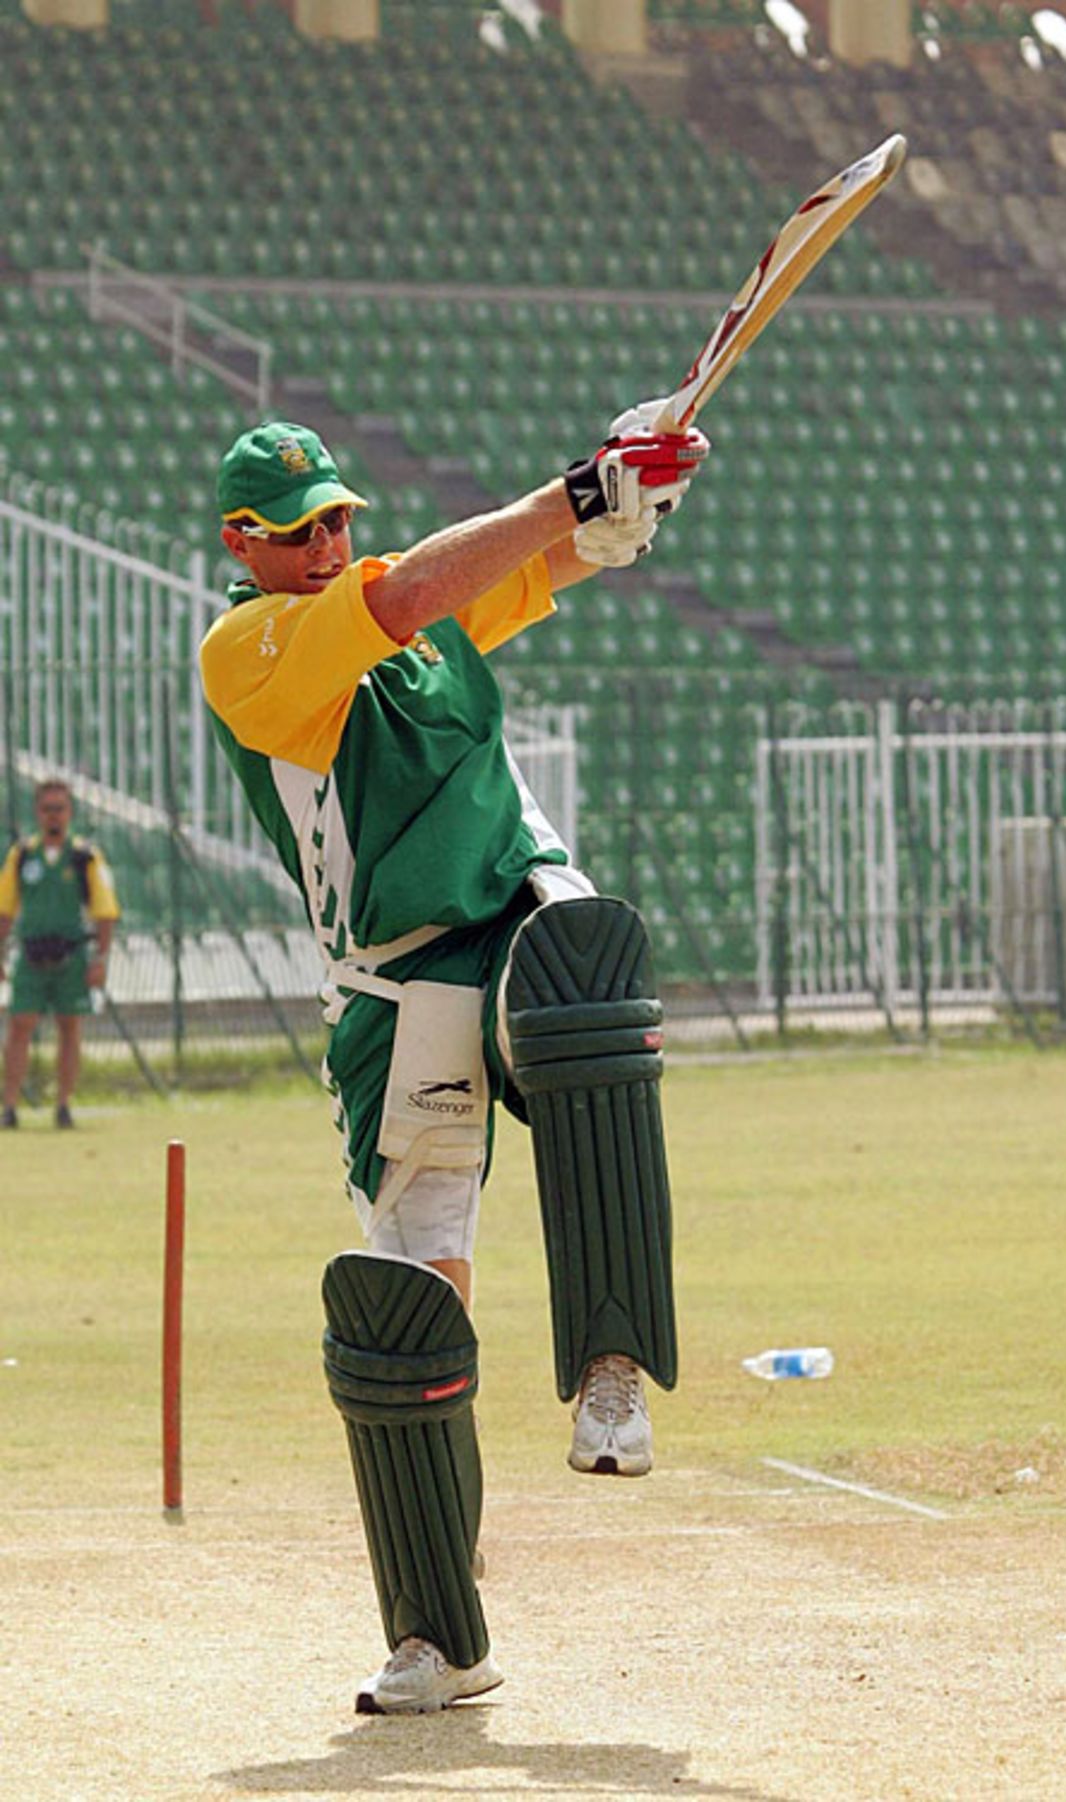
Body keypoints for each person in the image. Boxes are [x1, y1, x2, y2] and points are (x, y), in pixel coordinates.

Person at [199, 412, 708, 1716]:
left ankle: (611, 1373)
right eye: (299, 529)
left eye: (337, 518)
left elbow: (534, 566)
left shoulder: (425, 629)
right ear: (242, 542)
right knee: (409, 1298)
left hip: (515, 914)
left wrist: (632, 499)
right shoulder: (246, 652)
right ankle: (441, 1628)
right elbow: (414, 588)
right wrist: (574, 493)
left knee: (589, 986)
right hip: (397, 977)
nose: (327, 542)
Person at [0, 778, 120, 1129]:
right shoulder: (22, 855)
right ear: (37, 812)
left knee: (70, 1027)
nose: (53, 815)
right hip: (31, 955)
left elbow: (105, 912)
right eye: (47, 808)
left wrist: (101, 960)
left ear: (70, 812)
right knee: (20, 1025)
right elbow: (5, 910)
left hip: (71, 957)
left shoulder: (85, 856)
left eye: (60, 808)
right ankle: (10, 1106)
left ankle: (63, 1105)